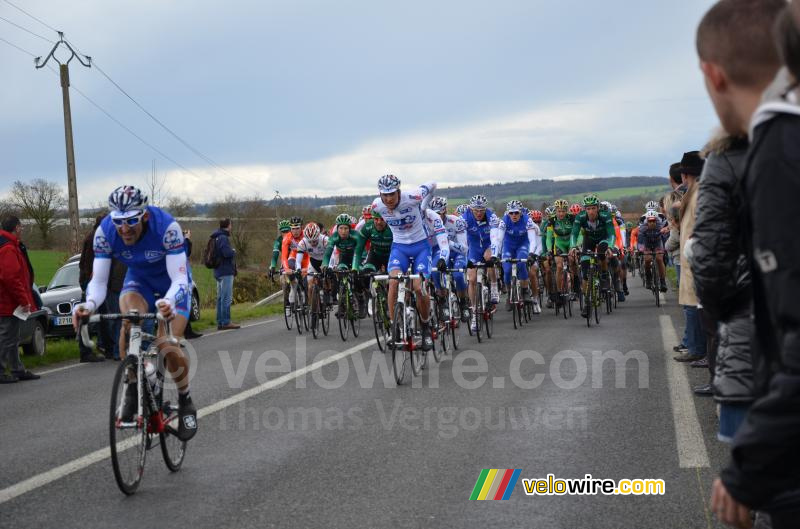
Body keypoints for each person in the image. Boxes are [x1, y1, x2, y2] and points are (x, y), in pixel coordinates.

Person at [694, 0, 793, 527]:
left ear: (714, 75)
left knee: (762, 503)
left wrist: (737, 308)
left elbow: (708, 266)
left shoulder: (738, 158)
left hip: (761, 367)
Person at [73, 186, 197, 441]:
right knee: (130, 320)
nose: (125, 229)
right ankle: (132, 384)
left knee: (166, 344)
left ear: (145, 216)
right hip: (139, 279)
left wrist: (170, 301)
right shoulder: (105, 232)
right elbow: (98, 281)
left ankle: (185, 400)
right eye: (119, 221)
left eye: (131, 221)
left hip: (173, 283)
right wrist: (88, 305)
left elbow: (180, 278)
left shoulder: (166, 227)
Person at [370, 174, 438, 350]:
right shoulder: (377, 205)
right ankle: (396, 328)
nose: (388, 198)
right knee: (393, 282)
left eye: (392, 194)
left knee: (418, 287)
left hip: (421, 246)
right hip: (399, 248)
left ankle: (425, 328)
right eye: (384, 195)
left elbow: (432, 183)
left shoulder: (413, 197)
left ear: (399, 191)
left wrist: (424, 206)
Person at [0, 215, 40, 383]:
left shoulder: (9, 245)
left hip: (9, 301)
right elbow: (11, 277)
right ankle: (2, 371)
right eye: (21, 227)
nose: (22, 230)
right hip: (7, 302)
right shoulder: (8, 248)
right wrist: (24, 300)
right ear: (16, 228)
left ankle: (17, 369)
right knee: (6, 337)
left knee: (12, 337)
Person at [570, 194, 615, 319]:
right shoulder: (580, 217)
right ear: (585, 209)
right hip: (588, 240)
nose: (590, 211)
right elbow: (574, 234)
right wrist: (573, 246)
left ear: (598, 208)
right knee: (584, 270)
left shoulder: (605, 216)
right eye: (588, 209)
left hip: (603, 239)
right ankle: (587, 300)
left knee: (601, 253)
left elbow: (611, 233)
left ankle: (605, 275)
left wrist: (610, 247)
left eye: (593, 208)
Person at [461, 194, 501, 333]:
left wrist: (495, 254)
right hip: (473, 248)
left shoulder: (492, 217)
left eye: (481, 210)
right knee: (471, 279)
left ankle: (494, 287)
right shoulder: (464, 217)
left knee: (489, 258)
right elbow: (461, 238)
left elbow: (495, 238)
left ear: (485, 209)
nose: (478, 213)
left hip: (488, 245)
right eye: (476, 210)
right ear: (471, 209)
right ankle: (474, 313)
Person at [494, 200, 540, 313]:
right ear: (508, 213)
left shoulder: (527, 220)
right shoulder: (504, 221)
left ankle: (524, 291)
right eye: (511, 213)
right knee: (507, 269)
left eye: (516, 213)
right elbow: (499, 240)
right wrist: (495, 255)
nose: (514, 215)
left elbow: (532, 240)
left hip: (522, 245)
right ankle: (510, 294)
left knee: (521, 264)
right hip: (508, 246)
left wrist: (531, 254)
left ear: (520, 212)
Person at [77, 215, 109, 362]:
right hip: (90, 281)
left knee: (103, 315)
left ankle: (104, 347)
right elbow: (88, 263)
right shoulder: (94, 238)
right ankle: (85, 351)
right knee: (87, 317)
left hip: (90, 280)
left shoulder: (94, 236)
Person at [212, 218, 240, 330]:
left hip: (218, 271)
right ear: (228, 225)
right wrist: (233, 251)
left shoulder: (216, 236)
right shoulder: (223, 238)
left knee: (220, 298)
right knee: (226, 298)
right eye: (231, 225)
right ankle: (226, 322)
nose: (231, 227)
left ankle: (220, 321)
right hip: (225, 271)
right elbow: (226, 253)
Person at [182, 229, 202, 339]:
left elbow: (187, 252)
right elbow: (186, 251)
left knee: (185, 307)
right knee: (178, 309)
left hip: (185, 280)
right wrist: (187, 239)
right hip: (180, 281)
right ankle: (179, 334)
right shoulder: (177, 247)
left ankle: (188, 331)